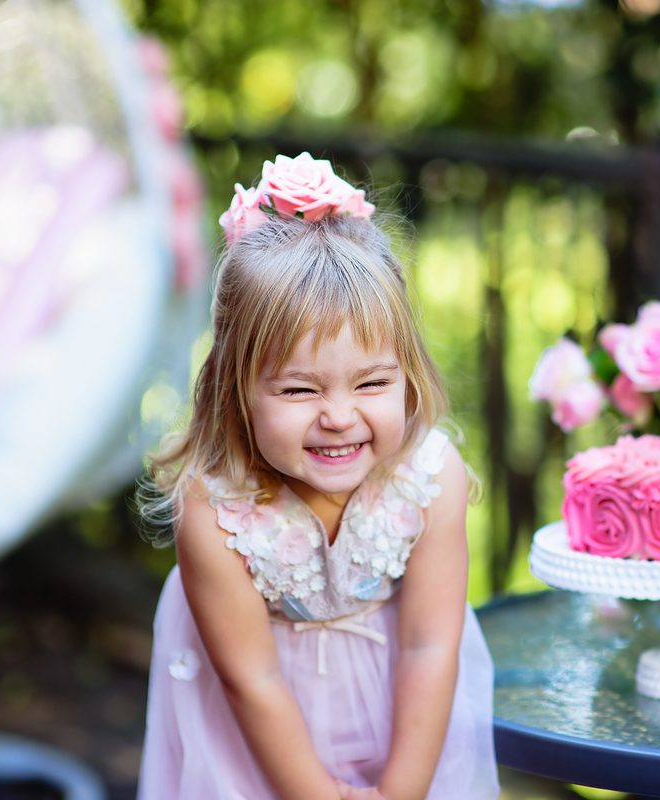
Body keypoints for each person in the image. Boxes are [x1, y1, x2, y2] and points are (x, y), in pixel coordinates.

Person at [137, 153, 500, 799]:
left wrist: (401, 791)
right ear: (235, 388)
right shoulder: (214, 511)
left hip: (405, 711)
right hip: (259, 730)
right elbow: (253, 680)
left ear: (407, 373)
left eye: (373, 383)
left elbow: (428, 645)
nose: (339, 416)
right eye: (300, 388)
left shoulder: (430, 478)